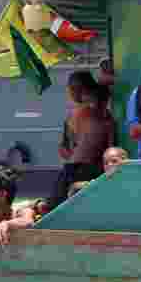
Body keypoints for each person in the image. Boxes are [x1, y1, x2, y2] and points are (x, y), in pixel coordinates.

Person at [50, 71, 115, 209]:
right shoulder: (103, 116)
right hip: (89, 167)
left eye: (72, 88)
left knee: (56, 208)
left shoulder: (80, 113)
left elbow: (64, 150)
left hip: (78, 167)